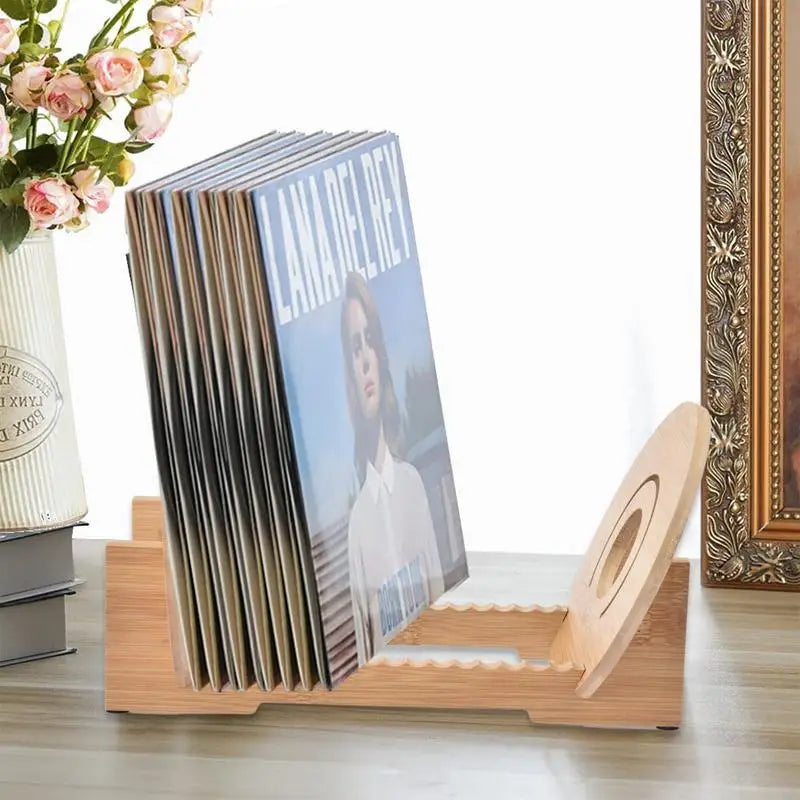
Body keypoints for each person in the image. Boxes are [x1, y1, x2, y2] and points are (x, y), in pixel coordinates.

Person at [340, 271, 444, 663]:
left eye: (370, 341)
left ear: (381, 356)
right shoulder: (357, 526)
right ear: (350, 371)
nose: (364, 358)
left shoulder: (413, 485)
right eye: (354, 347)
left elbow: (438, 596)